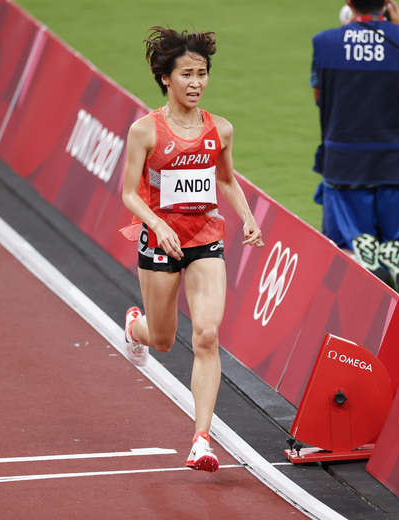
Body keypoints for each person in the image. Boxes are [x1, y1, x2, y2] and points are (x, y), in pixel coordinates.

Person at [119, 25, 264, 472]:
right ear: (167, 77)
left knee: (206, 335)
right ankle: (135, 327)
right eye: (186, 74)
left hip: (205, 239)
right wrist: (157, 223)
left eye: (202, 73)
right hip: (161, 241)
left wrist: (248, 217)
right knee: (163, 341)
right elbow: (128, 193)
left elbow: (224, 180)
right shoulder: (145, 131)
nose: (196, 82)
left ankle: (201, 440)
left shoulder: (220, 129)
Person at [311, 0, 399, 292]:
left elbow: (321, 97)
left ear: (348, 3)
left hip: (344, 169)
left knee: (340, 248)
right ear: (387, 3)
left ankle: (361, 260)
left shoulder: (325, 42)